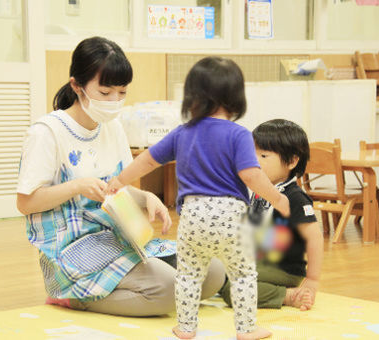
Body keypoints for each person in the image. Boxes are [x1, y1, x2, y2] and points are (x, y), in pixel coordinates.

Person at [16, 36, 225, 317]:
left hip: (117, 235)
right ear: (77, 86)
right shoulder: (47, 133)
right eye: (105, 93)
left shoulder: (111, 127)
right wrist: (76, 186)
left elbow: (116, 190)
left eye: (122, 92)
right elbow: (26, 203)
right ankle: (71, 296)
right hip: (74, 248)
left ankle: (122, 290)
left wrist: (146, 196)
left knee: (212, 272)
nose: (114, 101)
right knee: (168, 289)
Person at [107, 57, 290, 340]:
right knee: (242, 273)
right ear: (236, 98)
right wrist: (277, 198)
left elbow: (146, 161)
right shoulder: (239, 135)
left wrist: (118, 181)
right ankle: (246, 328)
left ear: (191, 97)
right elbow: (252, 176)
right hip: (231, 217)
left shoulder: (183, 133)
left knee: (189, 274)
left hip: (192, 217)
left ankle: (186, 327)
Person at [220, 119, 324, 312]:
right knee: (216, 268)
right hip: (257, 259)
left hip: (283, 268)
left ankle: (287, 296)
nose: (254, 160)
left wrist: (312, 279)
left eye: (264, 155)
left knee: (233, 289)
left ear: (292, 161)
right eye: (252, 154)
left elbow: (315, 239)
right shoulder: (261, 189)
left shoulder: (295, 198)